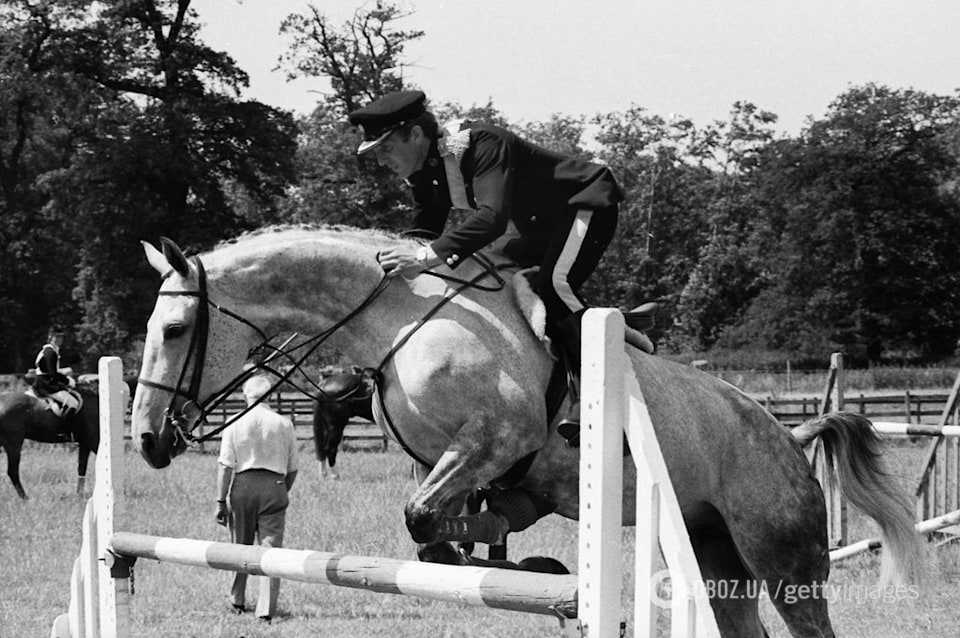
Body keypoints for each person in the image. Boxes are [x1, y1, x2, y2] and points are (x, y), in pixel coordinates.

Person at [347, 90, 653, 445]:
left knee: (554, 286)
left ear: (415, 135)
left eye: (385, 148)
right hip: (540, 226)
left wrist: (420, 259)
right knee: (484, 273)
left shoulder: (483, 144)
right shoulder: (424, 170)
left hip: (585, 203)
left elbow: (491, 219)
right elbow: (421, 234)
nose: (382, 161)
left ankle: (598, 401)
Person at [215, 374, 299, 623]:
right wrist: (282, 489)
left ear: (245, 396)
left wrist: (220, 500)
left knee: (239, 545)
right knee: (272, 551)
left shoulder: (234, 422)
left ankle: (237, 598)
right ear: (270, 396)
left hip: (242, 486)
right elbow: (293, 467)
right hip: (274, 484)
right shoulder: (284, 424)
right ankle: (266, 608)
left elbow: (225, 465)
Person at [32, 328, 80, 417]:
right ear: (50, 337)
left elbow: (48, 370)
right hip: (46, 385)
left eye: (61, 337)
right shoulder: (50, 352)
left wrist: (65, 371)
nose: (59, 339)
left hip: (43, 382)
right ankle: (64, 430)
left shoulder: (49, 350)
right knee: (73, 403)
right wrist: (68, 381)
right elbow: (52, 374)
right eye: (57, 337)